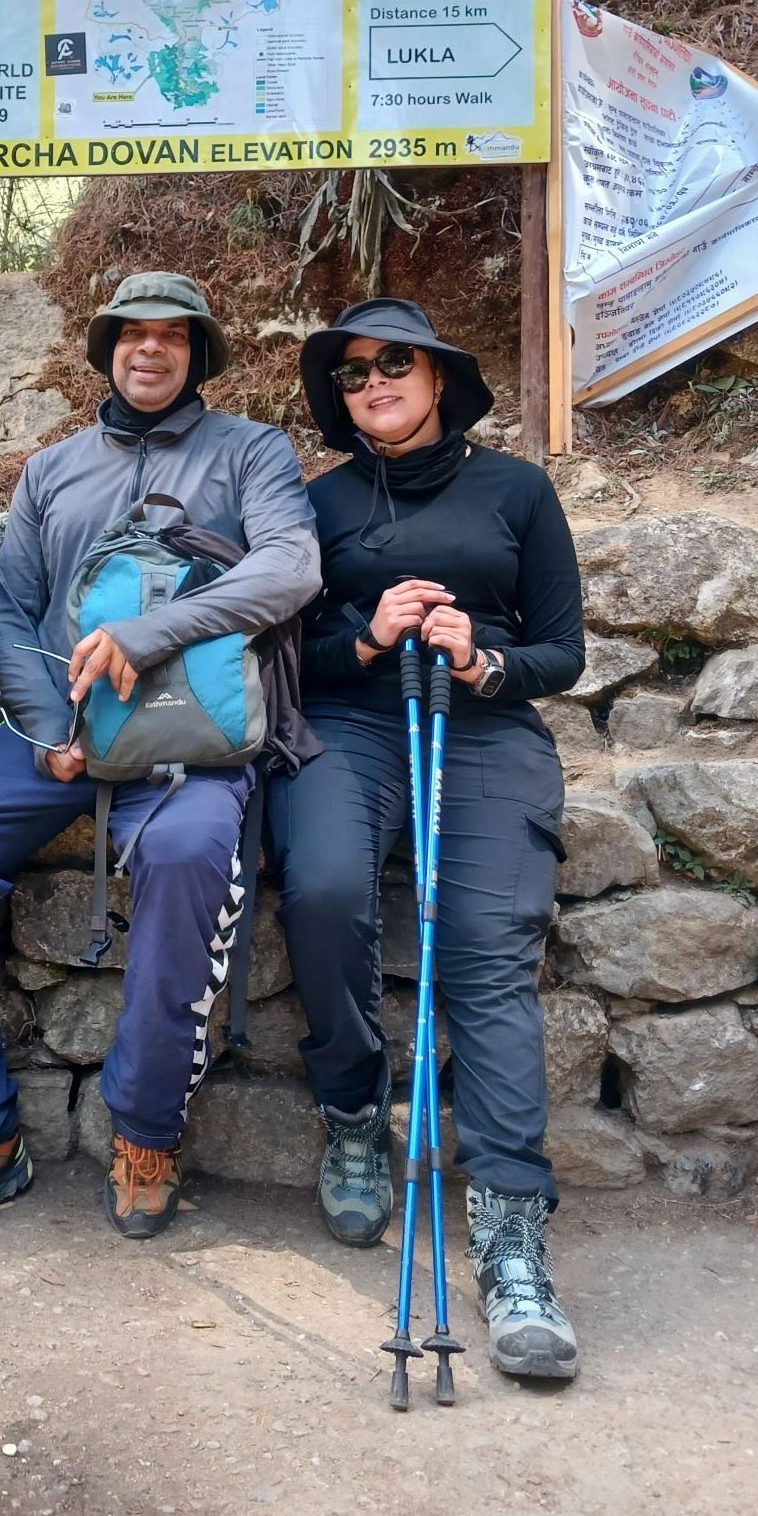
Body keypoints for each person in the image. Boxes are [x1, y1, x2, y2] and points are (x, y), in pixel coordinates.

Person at [0, 272, 320, 1244]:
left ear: (198, 351)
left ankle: (147, 1127)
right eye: (132, 335)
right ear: (107, 350)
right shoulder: (53, 470)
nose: (150, 350)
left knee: (190, 854)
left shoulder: (252, 453)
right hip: (60, 728)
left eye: (173, 335)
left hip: (193, 735)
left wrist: (157, 630)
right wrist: (52, 730)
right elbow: (23, 612)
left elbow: (291, 568)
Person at [267, 297, 585, 1382]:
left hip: (484, 726)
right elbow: (287, 656)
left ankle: (509, 1230)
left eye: (394, 363)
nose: (373, 383)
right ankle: (355, 1109)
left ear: (439, 375)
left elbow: (563, 649)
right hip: (352, 722)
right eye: (352, 374)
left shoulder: (518, 490)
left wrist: (483, 659)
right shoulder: (317, 501)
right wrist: (368, 634)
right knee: (321, 885)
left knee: (489, 944)